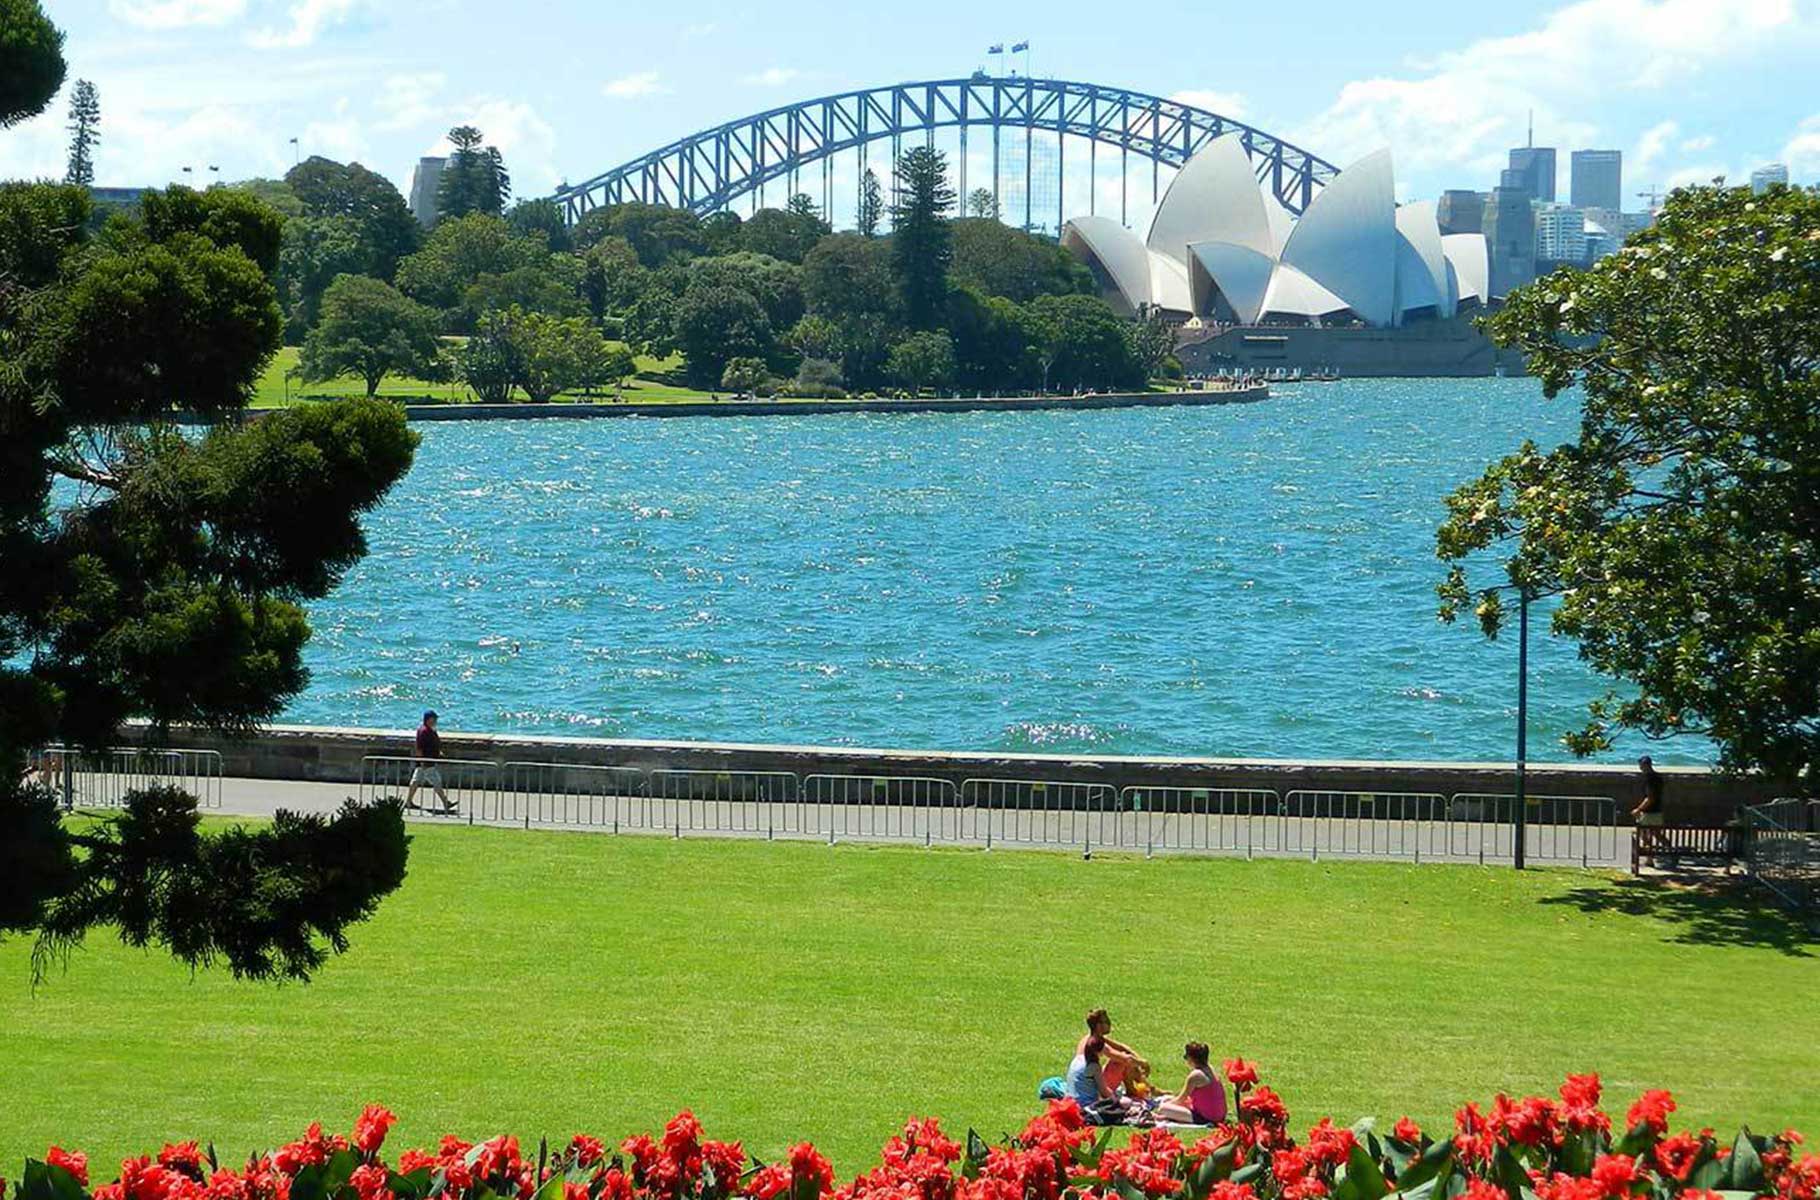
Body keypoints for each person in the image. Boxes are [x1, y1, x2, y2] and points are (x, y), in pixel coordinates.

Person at [1066, 1036, 1148, 1126]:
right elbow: (1104, 1092)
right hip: (1087, 1106)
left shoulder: (1078, 1059)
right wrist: (1116, 1101)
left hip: (1071, 1102)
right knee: (1126, 1102)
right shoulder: (1094, 1066)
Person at [1149, 1042, 1226, 1127]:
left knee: (1163, 1108)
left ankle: (1167, 1115)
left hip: (1206, 1117)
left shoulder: (1196, 1075)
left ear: (1192, 1058)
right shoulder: (1210, 1069)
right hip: (1219, 1115)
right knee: (1167, 1099)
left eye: (1186, 1057)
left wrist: (1165, 1105)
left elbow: (1181, 1099)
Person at [1077, 1008, 1150, 1095]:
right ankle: (1133, 1091)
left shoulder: (1091, 1038)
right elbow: (1126, 1059)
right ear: (1098, 1025)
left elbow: (1121, 1047)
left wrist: (1139, 1059)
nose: (1109, 1024)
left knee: (1125, 1058)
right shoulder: (1095, 1042)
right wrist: (1143, 1063)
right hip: (1091, 1088)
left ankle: (1145, 1087)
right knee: (1120, 1062)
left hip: (1084, 1082)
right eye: (1106, 1021)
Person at [404, 710, 455, 814]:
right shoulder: (424, 731)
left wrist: (438, 752)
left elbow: (433, 743)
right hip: (426, 761)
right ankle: (446, 802)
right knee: (436, 781)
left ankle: (408, 801)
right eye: (434, 718)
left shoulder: (430, 730)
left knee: (415, 781)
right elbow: (419, 748)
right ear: (428, 719)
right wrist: (423, 761)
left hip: (427, 761)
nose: (436, 720)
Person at [1632, 755, 1665, 827]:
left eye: (1641, 766)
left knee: (1643, 833)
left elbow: (1650, 798)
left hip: (1648, 812)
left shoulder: (1649, 780)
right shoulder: (1659, 778)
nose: (1640, 768)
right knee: (1657, 834)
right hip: (1658, 810)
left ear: (1645, 765)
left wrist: (1638, 809)